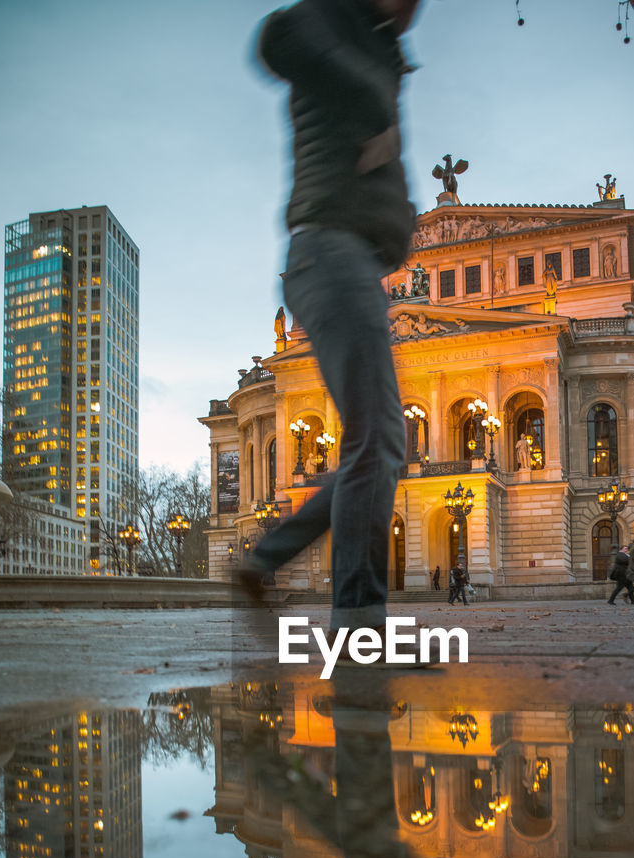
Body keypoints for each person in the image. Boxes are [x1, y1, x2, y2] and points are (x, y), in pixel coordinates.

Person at [236, 0, 424, 636]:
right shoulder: (329, 22)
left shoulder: (375, 49)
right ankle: (362, 627)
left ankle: (264, 560)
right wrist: (377, 98)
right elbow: (277, 37)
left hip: (350, 258)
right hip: (329, 250)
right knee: (379, 441)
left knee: (374, 448)